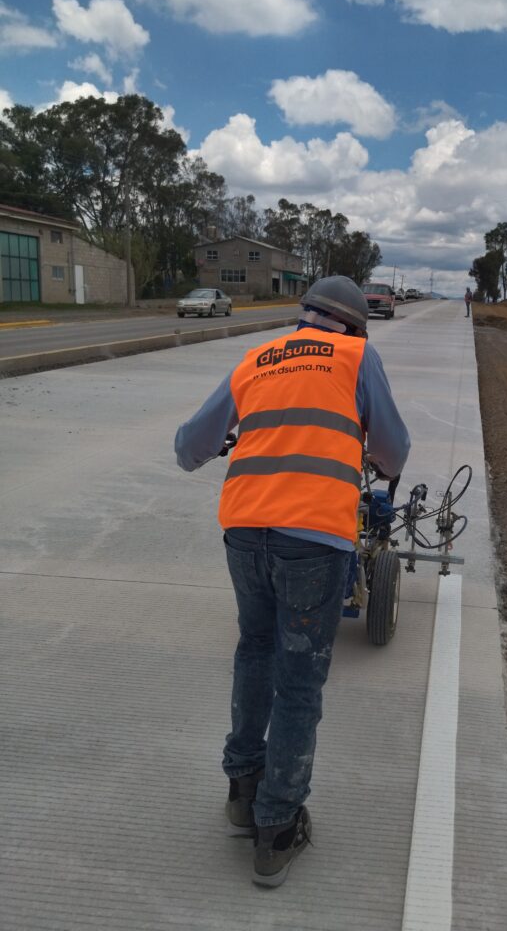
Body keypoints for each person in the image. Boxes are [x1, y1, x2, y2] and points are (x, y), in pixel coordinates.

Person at [174, 275, 410, 888]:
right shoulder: (356, 355)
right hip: (312, 540)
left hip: (243, 532)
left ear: (304, 316)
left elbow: (190, 446)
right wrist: (374, 455)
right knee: (299, 682)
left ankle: (242, 792)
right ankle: (277, 827)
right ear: (353, 326)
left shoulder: (258, 357)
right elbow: (392, 450)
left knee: (254, 651)